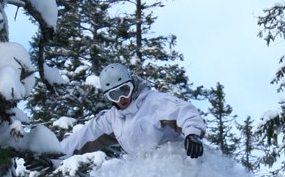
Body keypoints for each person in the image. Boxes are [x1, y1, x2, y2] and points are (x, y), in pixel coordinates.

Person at [59, 63, 206, 159]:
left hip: (179, 162)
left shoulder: (154, 102)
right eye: (114, 95)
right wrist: (55, 155)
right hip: (149, 172)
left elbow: (184, 111)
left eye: (125, 90)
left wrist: (192, 134)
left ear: (132, 85)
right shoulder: (112, 119)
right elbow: (83, 137)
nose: (122, 98)